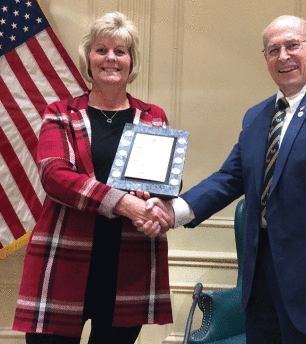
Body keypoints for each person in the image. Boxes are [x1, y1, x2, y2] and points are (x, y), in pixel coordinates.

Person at [138, 15, 306, 344]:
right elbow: (229, 178)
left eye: (292, 46)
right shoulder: (256, 116)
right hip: (262, 283)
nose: (283, 56)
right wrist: (174, 211)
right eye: (273, 50)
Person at [13, 12, 174, 344]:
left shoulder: (152, 116)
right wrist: (122, 202)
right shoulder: (60, 112)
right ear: (88, 59)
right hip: (62, 258)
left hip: (129, 263)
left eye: (120, 51)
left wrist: (159, 200)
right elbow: (54, 175)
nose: (111, 58)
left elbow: (164, 182)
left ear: (131, 62)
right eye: (101, 50)